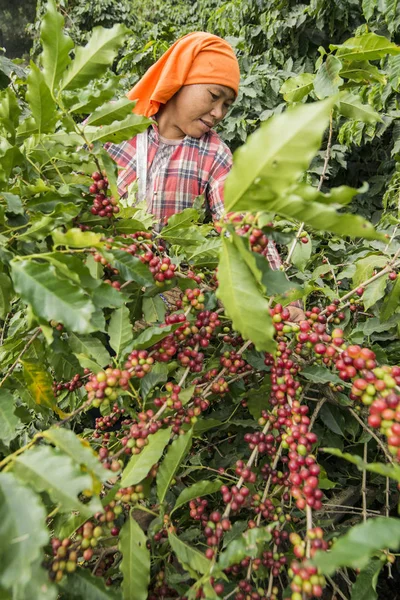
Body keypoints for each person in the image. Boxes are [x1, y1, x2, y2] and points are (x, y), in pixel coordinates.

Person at [105, 31, 304, 321]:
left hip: (165, 310)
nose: (218, 112)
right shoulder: (114, 128)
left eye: (226, 105)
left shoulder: (213, 155)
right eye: (214, 96)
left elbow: (242, 226)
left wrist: (284, 296)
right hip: (102, 294)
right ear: (180, 78)